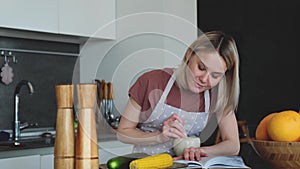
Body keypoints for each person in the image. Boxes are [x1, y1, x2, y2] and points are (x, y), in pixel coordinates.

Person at [116, 31, 240, 161]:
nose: (204, 79)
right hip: (147, 163)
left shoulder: (217, 94)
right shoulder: (151, 81)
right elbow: (123, 133)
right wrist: (159, 137)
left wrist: (199, 151)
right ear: (188, 54)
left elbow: (233, 145)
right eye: (201, 67)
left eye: (215, 75)